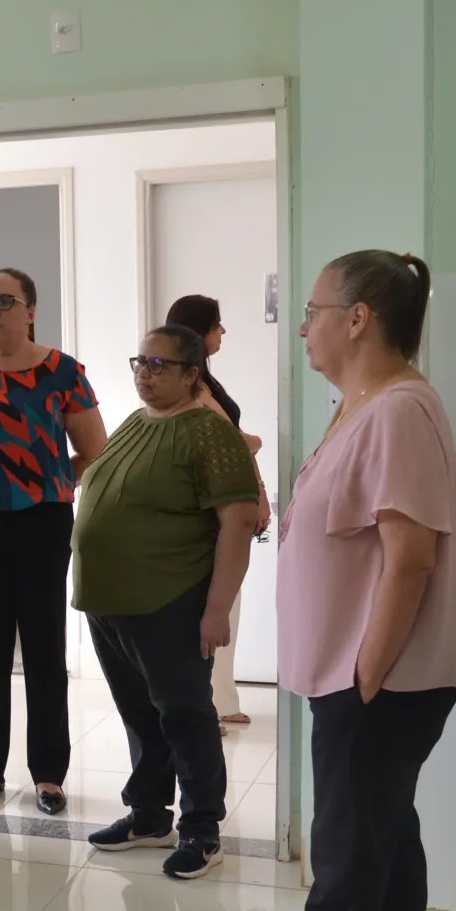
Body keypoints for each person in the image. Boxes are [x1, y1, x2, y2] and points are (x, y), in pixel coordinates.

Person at [250, 251, 456, 911]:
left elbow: (410, 558)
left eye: (312, 311)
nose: (302, 327)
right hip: (361, 676)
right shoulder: (365, 404)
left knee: (345, 861)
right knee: (383, 846)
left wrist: (365, 674)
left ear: (357, 319)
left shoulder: (398, 411)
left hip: (380, 681)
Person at [73, 325, 260, 880]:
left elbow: (238, 524)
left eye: (159, 365)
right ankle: (150, 816)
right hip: (110, 604)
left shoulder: (210, 432)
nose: (145, 373)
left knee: (186, 716)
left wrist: (217, 610)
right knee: (139, 714)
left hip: (169, 602)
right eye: (140, 362)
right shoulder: (137, 421)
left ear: (192, 374)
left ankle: (202, 830)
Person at [0, 267, 106, 816]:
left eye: (4, 301)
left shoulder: (63, 372)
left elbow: (95, 449)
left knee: (43, 647)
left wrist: (53, 482)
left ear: (31, 311)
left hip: (44, 521)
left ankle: (49, 774)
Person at [164, 294, 273, 732]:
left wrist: (257, 488)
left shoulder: (205, 380)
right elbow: (233, 440)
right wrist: (254, 444)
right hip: (207, 507)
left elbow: (233, 441)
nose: (223, 331)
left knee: (226, 602)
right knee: (214, 603)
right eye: (217, 324)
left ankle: (221, 699)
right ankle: (207, 705)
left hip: (225, 498)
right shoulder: (192, 385)